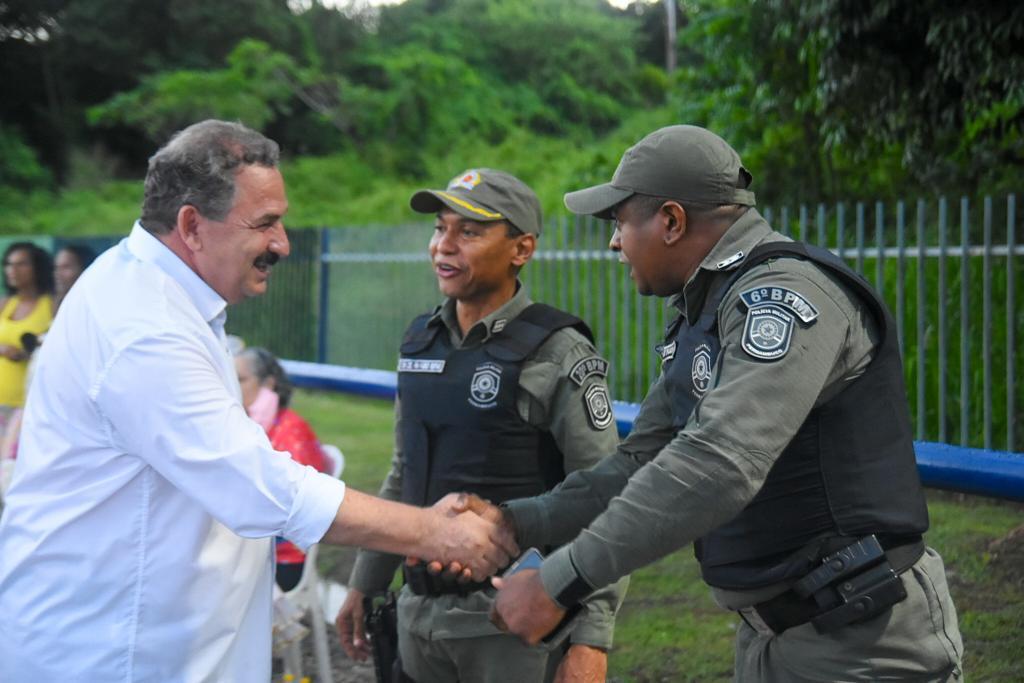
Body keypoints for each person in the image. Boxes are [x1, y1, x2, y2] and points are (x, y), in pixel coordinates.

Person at [0, 120, 516, 682]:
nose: (283, 244)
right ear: (192, 225)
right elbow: (258, 487)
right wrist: (434, 532)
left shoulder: (153, 295)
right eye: (266, 223)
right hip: (113, 652)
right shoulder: (142, 329)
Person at [488, 125, 963, 682]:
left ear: (671, 220)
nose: (614, 243)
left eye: (619, 222)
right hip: (778, 635)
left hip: (861, 642)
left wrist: (562, 579)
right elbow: (639, 461)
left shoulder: (783, 296)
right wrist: (515, 523)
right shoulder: (707, 309)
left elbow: (721, 461)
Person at [335, 169, 627, 683]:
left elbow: (605, 497)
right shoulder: (420, 343)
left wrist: (590, 639)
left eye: (468, 232)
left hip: (511, 631)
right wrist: (365, 582)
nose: (443, 246)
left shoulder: (557, 352)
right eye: (439, 228)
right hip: (417, 619)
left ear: (522, 249)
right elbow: (406, 472)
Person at [235, 345, 330, 591]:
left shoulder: (291, 430)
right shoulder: (251, 425)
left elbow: (292, 507)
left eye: (241, 380)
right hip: (253, 550)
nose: (232, 388)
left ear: (268, 384)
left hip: (283, 557)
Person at [0, 242, 53, 424]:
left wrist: (30, 353)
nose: (12, 270)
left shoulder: (52, 305)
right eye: (8, 264)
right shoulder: (5, 304)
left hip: (29, 405)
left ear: (37, 267)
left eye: (21, 264)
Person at [53, 243, 96, 311]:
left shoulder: (94, 305)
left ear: (84, 269)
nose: (57, 274)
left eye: (66, 267)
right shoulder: (51, 304)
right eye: (57, 267)